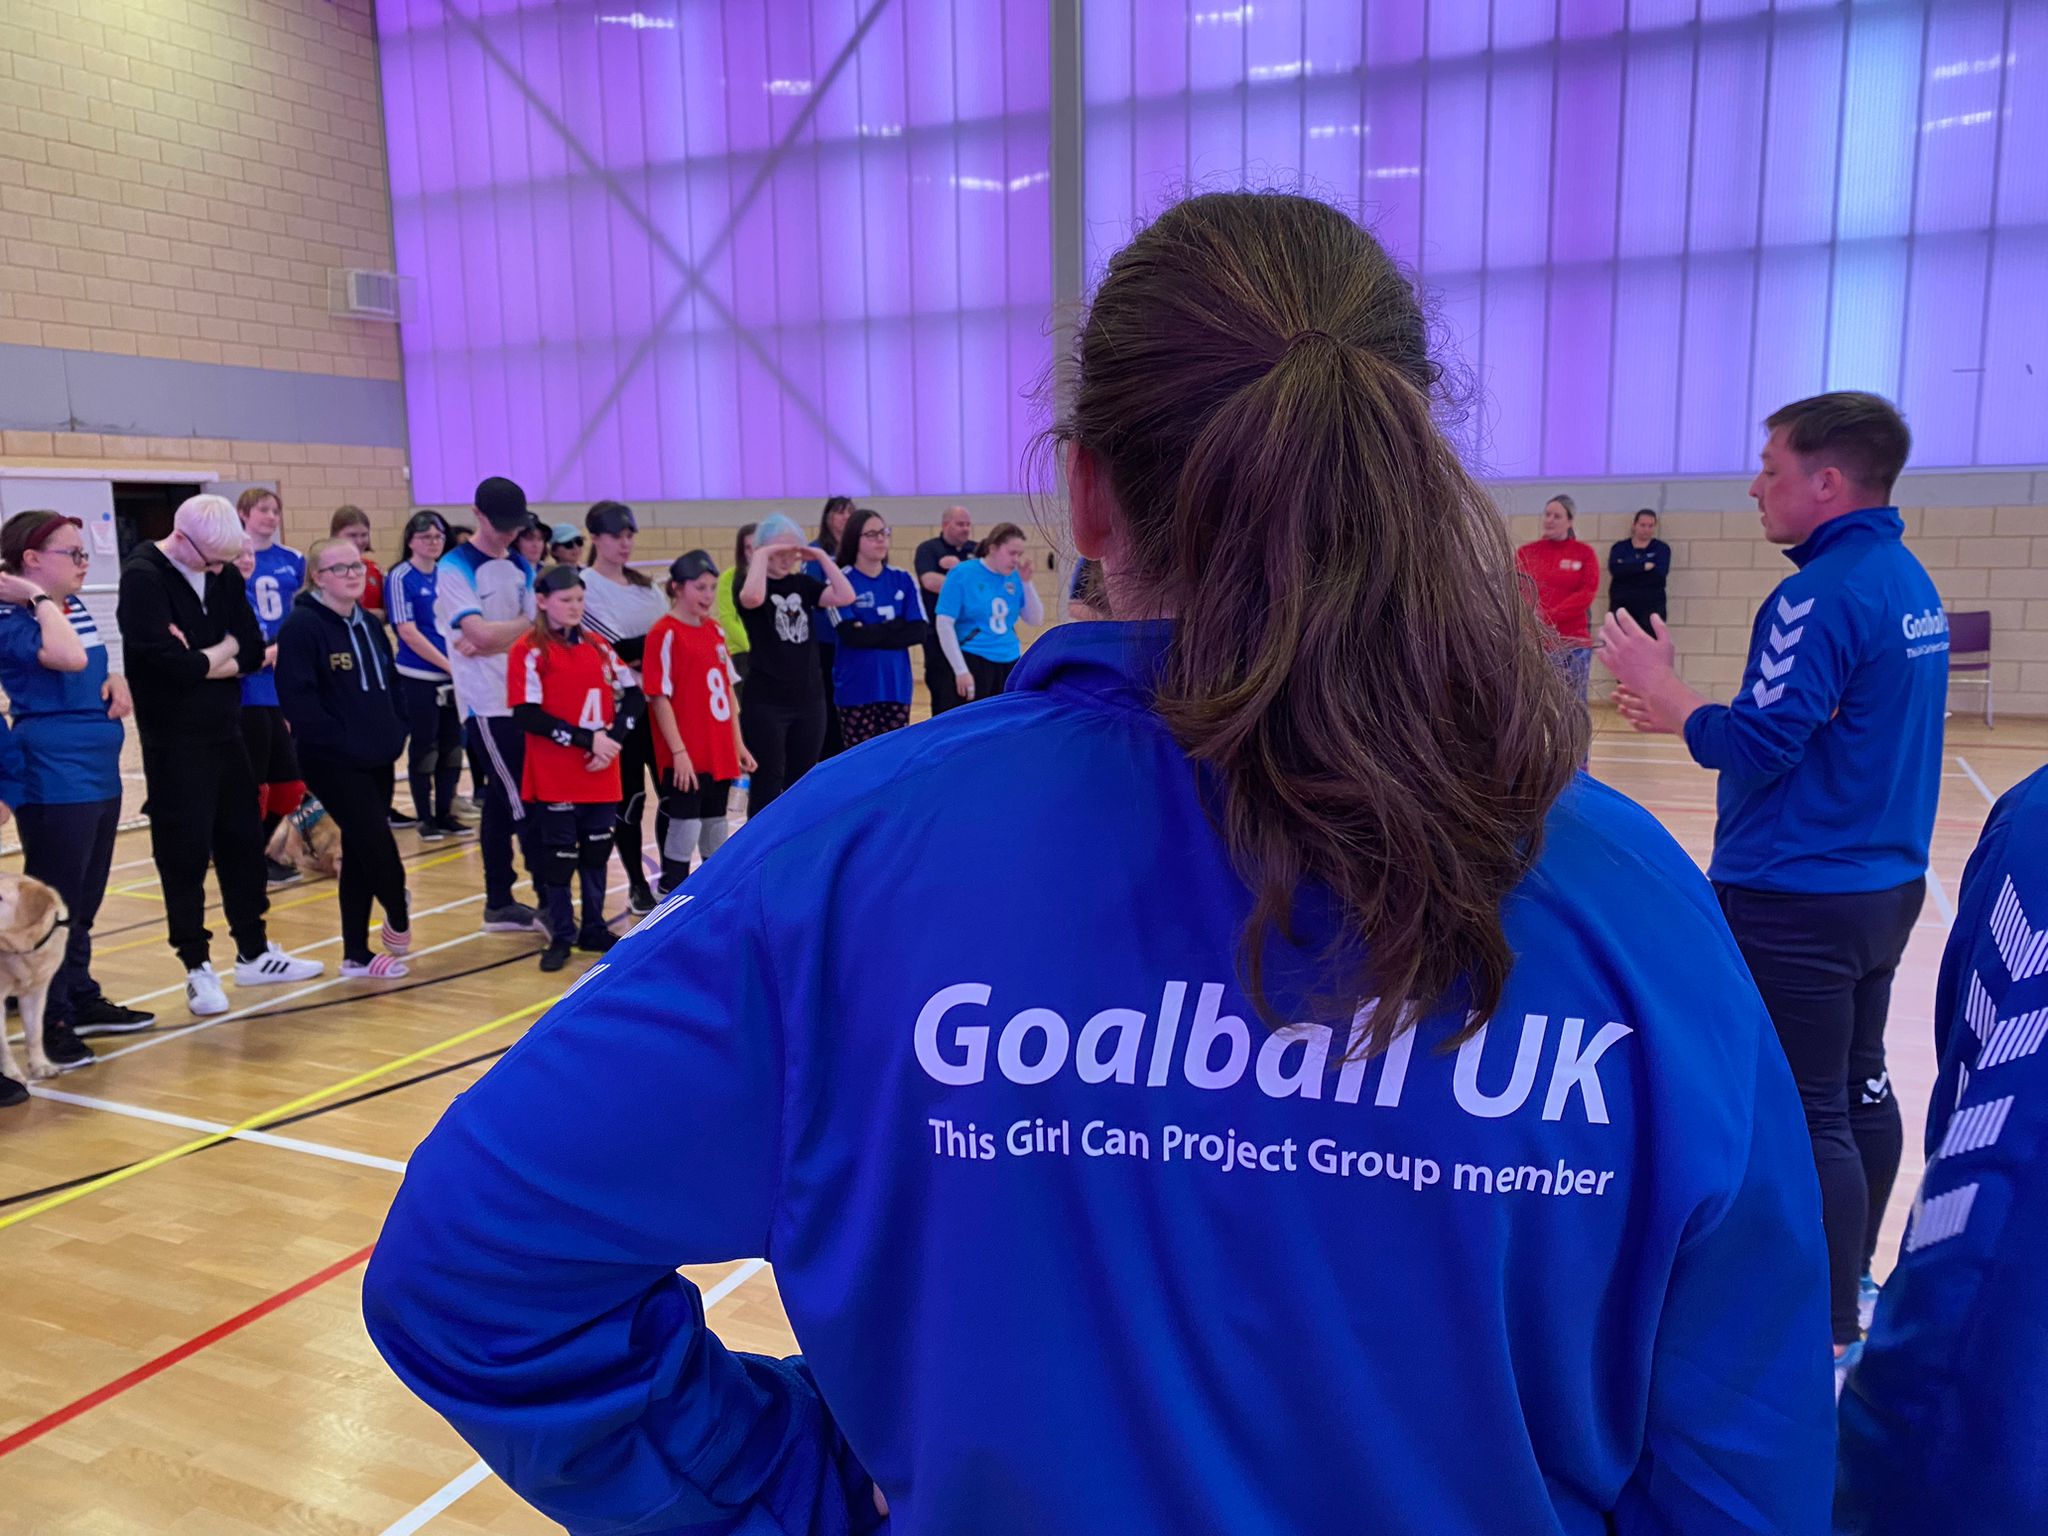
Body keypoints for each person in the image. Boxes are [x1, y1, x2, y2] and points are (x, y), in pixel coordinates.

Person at [364, 191, 1833, 1536]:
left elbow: (469, 1275)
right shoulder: (1630, 904)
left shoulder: (845, 866)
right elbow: (1743, 1474)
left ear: (1086, 496)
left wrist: (795, 1500)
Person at [1601, 389, 1944, 1382]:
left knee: (1808, 1108)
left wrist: (1671, 702)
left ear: (1825, 482)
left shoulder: (1813, 594)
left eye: (1770, 469)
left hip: (1796, 892)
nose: (1755, 487)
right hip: (1882, 886)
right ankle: (1858, 1283)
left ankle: (1826, 1328)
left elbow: (1760, 742)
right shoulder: (1902, 578)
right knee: (1859, 1083)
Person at [1836, 763, 2048, 1534]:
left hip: (1810, 883)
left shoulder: (2038, 828)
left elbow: (1992, 1200)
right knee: (1860, 1083)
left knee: (1828, 1101)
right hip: (1882, 882)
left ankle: (1840, 1308)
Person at [117, 494, 324, 1015]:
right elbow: (164, 667)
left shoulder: (225, 574)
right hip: (173, 740)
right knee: (183, 853)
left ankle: (254, 951)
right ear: (182, 539)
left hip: (226, 728)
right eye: (210, 560)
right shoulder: (143, 576)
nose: (218, 570)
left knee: (240, 839)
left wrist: (204, 657)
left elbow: (252, 649)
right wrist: (217, 652)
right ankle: (196, 965)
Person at [0, 513, 151, 1068]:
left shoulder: (69, 606)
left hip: (99, 767)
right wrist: (37, 596)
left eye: (85, 553)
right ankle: (54, 1016)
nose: (84, 563)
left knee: (84, 902)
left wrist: (119, 681)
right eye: (73, 554)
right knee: (55, 906)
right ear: (32, 560)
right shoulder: (15, 614)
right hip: (55, 772)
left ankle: (77, 993)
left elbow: (95, 664)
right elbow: (68, 658)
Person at [275, 538, 412, 979]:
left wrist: (397, 727)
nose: (354, 575)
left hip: (378, 753)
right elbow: (297, 699)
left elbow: (391, 681)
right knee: (376, 842)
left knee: (358, 849)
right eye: (341, 569)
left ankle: (356, 953)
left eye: (357, 567)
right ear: (318, 576)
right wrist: (341, 740)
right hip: (332, 760)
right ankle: (398, 911)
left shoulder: (370, 626)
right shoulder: (302, 626)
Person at [507, 564, 634, 972]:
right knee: (560, 856)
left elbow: (633, 696)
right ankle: (562, 933)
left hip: (601, 771)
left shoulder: (598, 646)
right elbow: (527, 714)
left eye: (580, 599)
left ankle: (594, 928)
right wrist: (585, 739)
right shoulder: (529, 650)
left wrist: (611, 742)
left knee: (597, 853)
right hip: (556, 773)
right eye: (566, 600)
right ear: (543, 602)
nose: (575, 607)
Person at [434, 476, 545, 934]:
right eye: (499, 526)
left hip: (523, 698)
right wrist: (519, 629)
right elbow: (476, 636)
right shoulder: (455, 567)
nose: (507, 535)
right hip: (485, 706)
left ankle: (499, 902)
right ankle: (551, 902)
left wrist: (505, 634)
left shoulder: (521, 564)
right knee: (523, 802)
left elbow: (542, 629)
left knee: (501, 804)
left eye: (513, 527)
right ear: (477, 515)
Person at [641, 550, 753, 893]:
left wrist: (738, 744)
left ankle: (711, 892)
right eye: (700, 587)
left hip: (717, 748)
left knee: (716, 824)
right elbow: (659, 697)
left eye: (712, 588)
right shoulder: (664, 633)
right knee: (684, 826)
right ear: (677, 588)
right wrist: (678, 752)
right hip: (686, 751)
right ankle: (671, 890)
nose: (707, 595)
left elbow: (728, 695)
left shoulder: (715, 631)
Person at [576, 501, 666, 916]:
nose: (625, 544)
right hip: (621, 708)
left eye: (630, 535)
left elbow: (669, 641)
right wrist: (646, 648)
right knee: (629, 797)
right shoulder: (586, 587)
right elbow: (616, 649)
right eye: (616, 536)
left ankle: (673, 874)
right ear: (596, 538)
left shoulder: (647, 586)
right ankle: (635, 883)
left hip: (662, 704)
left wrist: (646, 649)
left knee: (672, 791)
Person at [734, 513, 853, 816]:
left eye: (792, 551)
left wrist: (822, 557)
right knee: (768, 781)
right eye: (778, 552)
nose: (786, 558)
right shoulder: (749, 584)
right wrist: (761, 554)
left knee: (802, 779)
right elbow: (752, 597)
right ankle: (762, 851)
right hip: (767, 703)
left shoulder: (803, 584)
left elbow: (845, 595)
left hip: (808, 699)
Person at [236, 487, 308, 882]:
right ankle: (250, 854)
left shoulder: (293, 560)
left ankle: (268, 847)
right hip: (250, 678)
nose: (271, 516)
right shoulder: (232, 562)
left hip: (282, 675)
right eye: (263, 510)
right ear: (243, 514)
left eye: (276, 510)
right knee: (257, 775)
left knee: (290, 779)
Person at [386, 510, 467, 840]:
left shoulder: (449, 573)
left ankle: (445, 812)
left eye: (438, 537)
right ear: (411, 541)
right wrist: (448, 665)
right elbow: (407, 631)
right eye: (425, 537)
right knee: (425, 747)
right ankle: (425, 817)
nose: (433, 543)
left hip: (454, 673)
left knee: (452, 746)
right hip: (419, 675)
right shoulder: (402, 576)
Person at [829, 508, 927, 744]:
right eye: (872, 534)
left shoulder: (903, 578)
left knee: (893, 756)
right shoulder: (840, 581)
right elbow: (851, 635)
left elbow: (919, 631)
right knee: (858, 761)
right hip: (855, 688)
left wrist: (870, 630)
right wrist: (896, 625)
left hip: (896, 686)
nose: (881, 539)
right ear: (854, 539)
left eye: (884, 532)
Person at [935, 522, 1042, 702]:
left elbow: (1035, 619)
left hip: (1010, 659)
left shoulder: (1015, 576)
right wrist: (961, 670)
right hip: (975, 658)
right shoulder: (963, 573)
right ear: (993, 548)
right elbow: (943, 623)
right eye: (1012, 553)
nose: (1016, 559)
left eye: (1020, 554)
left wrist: (1026, 583)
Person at [1514, 495, 1599, 706]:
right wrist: (1531, 620)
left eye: (1557, 516)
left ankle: (1577, 741)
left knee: (1574, 706)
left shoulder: (1584, 554)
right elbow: (1518, 590)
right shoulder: (1526, 553)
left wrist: (1548, 616)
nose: (1550, 519)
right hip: (1536, 643)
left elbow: (1586, 593)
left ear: (1569, 521)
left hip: (1573, 643)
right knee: (1536, 705)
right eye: (1548, 514)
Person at [914, 505, 976, 714]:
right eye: (960, 524)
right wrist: (966, 580)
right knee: (943, 696)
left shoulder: (976, 551)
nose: (966, 529)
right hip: (937, 637)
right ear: (945, 524)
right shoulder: (929, 549)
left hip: (973, 638)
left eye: (968, 524)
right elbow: (930, 581)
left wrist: (956, 571)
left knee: (973, 698)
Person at [808, 495, 855, 760]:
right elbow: (814, 598)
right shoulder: (815, 553)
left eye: (850, 513)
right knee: (827, 699)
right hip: (825, 641)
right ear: (828, 518)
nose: (846, 518)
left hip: (852, 643)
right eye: (839, 513)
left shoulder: (859, 550)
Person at [1606, 509, 1670, 635]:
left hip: (1651, 609)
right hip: (1622, 608)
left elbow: (1660, 575)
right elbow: (1616, 570)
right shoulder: (1620, 547)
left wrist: (1628, 570)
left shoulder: (1661, 549)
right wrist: (1642, 567)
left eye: (1650, 526)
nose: (1646, 529)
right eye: (1643, 525)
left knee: (1649, 649)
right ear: (1634, 525)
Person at [713, 522, 756, 679]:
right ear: (741, 551)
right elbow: (728, 618)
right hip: (741, 653)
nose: (753, 552)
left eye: (757, 546)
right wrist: (752, 646)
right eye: (747, 548)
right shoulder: (729, 578)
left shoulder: (772, 577)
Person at [330, 505, 386, 616]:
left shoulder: (375, 569)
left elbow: (389, 614)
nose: (359, 541)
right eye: (352, 535)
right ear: (335, 535)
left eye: (364, 535)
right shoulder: (325, 570)